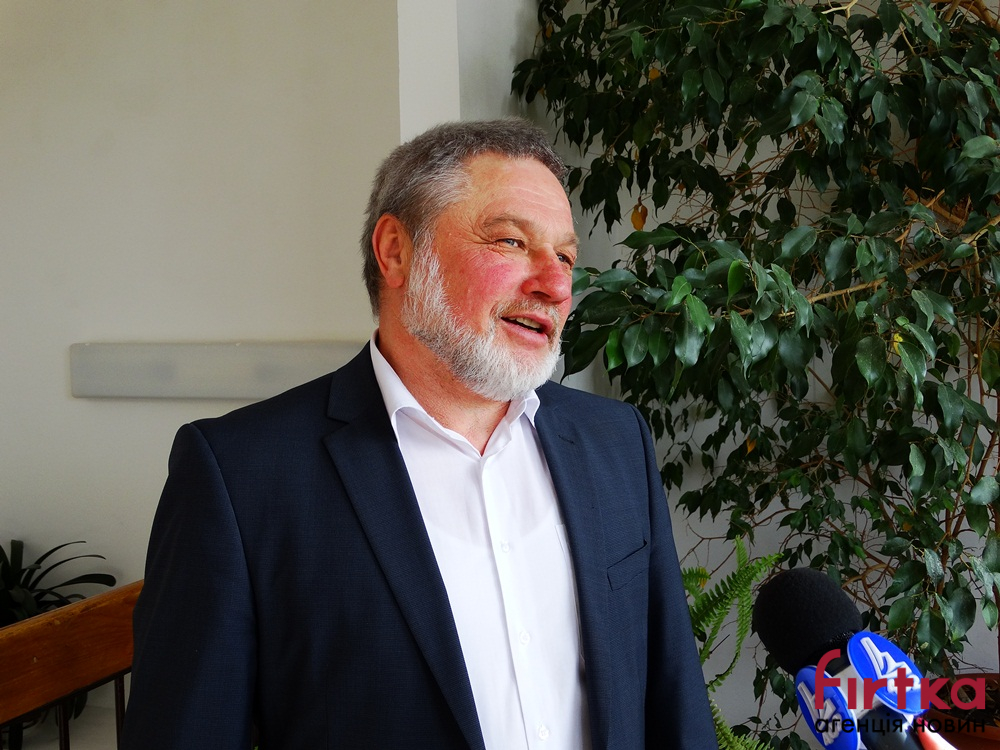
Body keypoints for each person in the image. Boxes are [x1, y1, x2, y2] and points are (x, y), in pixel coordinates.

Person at [121, 119, 718, 750]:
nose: (556, 285)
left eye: (566, 257)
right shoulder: (240, 477)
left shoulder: (615, 441)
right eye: (512, 242)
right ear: (396, 252)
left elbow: (673, 700)